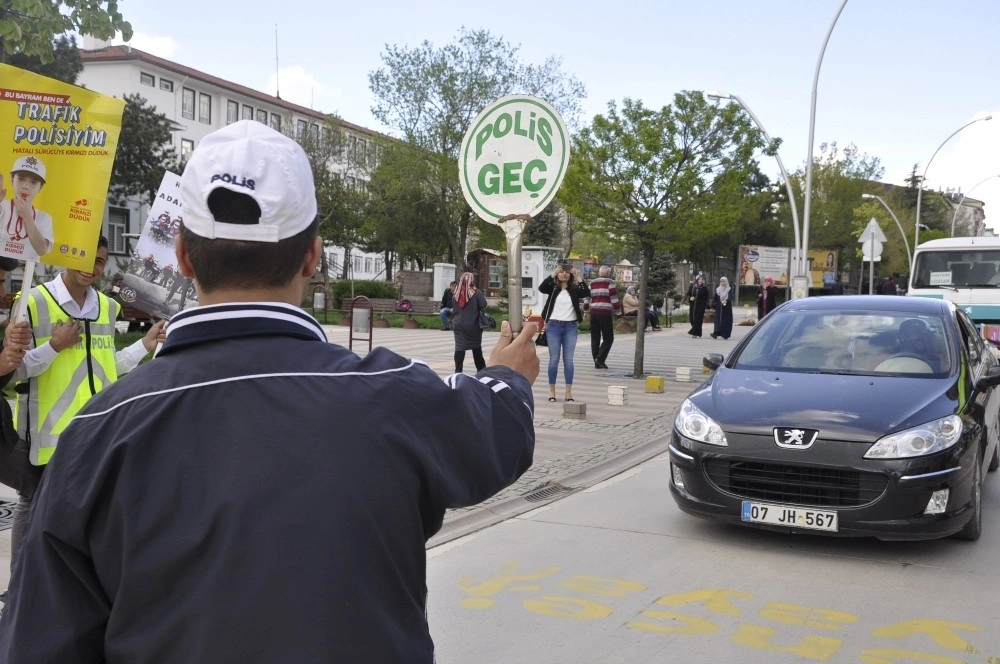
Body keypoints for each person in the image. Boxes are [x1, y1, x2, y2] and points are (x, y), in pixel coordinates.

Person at [0, 120, 539, 662]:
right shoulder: (393, 397)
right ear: (313, 256)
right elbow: (496, 427)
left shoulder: (94, 435)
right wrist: (510, 374)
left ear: (184, 257)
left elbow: (39, 643)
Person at [1, 235, 165, 599]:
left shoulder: (107, 308)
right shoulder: (33, 301)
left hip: (98, 431)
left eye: (101, 261)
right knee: (34, 506)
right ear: (67, 254)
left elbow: (106, 365)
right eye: (86, 256)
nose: (93, 267)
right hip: (48, 433)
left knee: (94, 514)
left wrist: (144, 345)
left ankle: (76, 590)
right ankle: (19, 593)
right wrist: (54, 347)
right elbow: (14, 371)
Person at [538, 264, 589, 402]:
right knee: (554, 359)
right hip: (554, 325)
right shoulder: (553, 288)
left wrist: (578, 276)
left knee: (568, 360)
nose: (564, 274)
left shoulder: (575, 289)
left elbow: (586, 293)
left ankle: (568, 392)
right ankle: (552, 391)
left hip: (570, 327)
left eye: (567, 272)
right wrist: (553, 273)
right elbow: (541, 287)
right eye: (562, 272)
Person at [0, 156, 55, 261]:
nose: (25, 186)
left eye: (33, 182)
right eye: (20, 179)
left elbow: (41, 250)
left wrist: (28, 218)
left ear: (40, 187)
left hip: (28, 270)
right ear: (12, 180)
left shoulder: (44, 218)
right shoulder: (3, 206)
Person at [451, 271, 489, 373]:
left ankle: (458, 372)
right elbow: (483, 304)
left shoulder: (456, 293)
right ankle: (481, 371)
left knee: (459, 348)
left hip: (458, 325)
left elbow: (454, 309)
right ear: (472, 280)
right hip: (473, 325)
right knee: (476, 348)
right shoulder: (476, 292)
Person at [586, 265, 622, 369]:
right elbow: (614, 299)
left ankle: (597, 363)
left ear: (599, 273)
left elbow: (587, 297)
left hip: (594, 313)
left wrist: (586, 309)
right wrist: (619, 313)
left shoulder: (592, 283)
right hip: (604, 313)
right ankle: (600, 358)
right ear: (608, 273)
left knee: (595, 338)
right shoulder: (609, 282)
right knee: (608, 338)